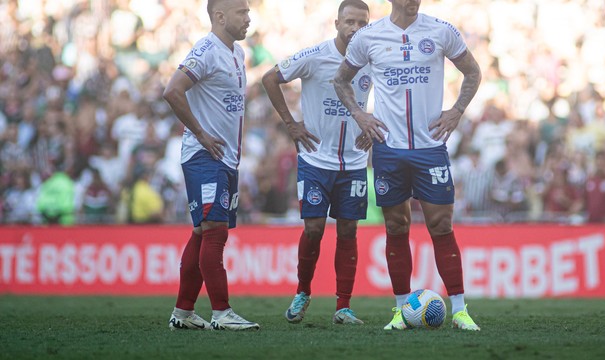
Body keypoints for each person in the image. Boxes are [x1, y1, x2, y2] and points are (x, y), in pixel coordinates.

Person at [333, 0, 482, 330]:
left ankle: (459, 309)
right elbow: (341, 80)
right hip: (389, 149)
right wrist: (359, 115)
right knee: (396, 227)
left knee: (441, 226)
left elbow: (473, 71)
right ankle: (401, 310)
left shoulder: (442, 31)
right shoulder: (369, 37)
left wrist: (456, 111)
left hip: (430, 148)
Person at [261, 0, 372, 325]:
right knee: (313, 228)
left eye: (361, 23)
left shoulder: (372, 59)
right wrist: (290, 123)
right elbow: (270, 78)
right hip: (315, 159)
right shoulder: (315, 56)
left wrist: (374, 122)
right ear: (336, 23)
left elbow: (391, 95)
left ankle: (343, 306)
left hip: (353, 161)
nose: (355, 28)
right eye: (349, 21)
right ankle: (303, 291)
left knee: (349, 230)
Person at [162, 0, 258, 331]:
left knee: (202, 232)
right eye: (241, 12)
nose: (248, 18)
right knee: (214, 231)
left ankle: (183, 313)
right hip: (206, 156)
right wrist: (201, 134)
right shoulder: (206, 50)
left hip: (224, 159)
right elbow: (172, 90)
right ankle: (222, 312)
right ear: (219, 16)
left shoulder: (237, 53)